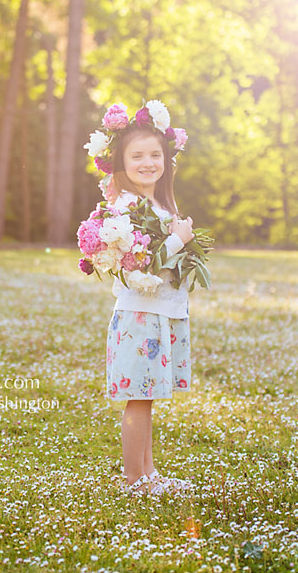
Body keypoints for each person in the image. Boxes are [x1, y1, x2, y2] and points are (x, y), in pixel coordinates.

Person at [87, 101, 196, 497]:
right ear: (121, 162)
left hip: (159, 313)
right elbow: (143, 265)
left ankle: (149, 474)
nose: (148, 162)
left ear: (166, 159)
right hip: (138, 317)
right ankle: (135, 480)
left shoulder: (160, 204)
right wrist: (179, 240)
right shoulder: (123, 208)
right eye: (137, 156)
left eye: (155, 155)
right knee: (138, 400)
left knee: (147, 398)